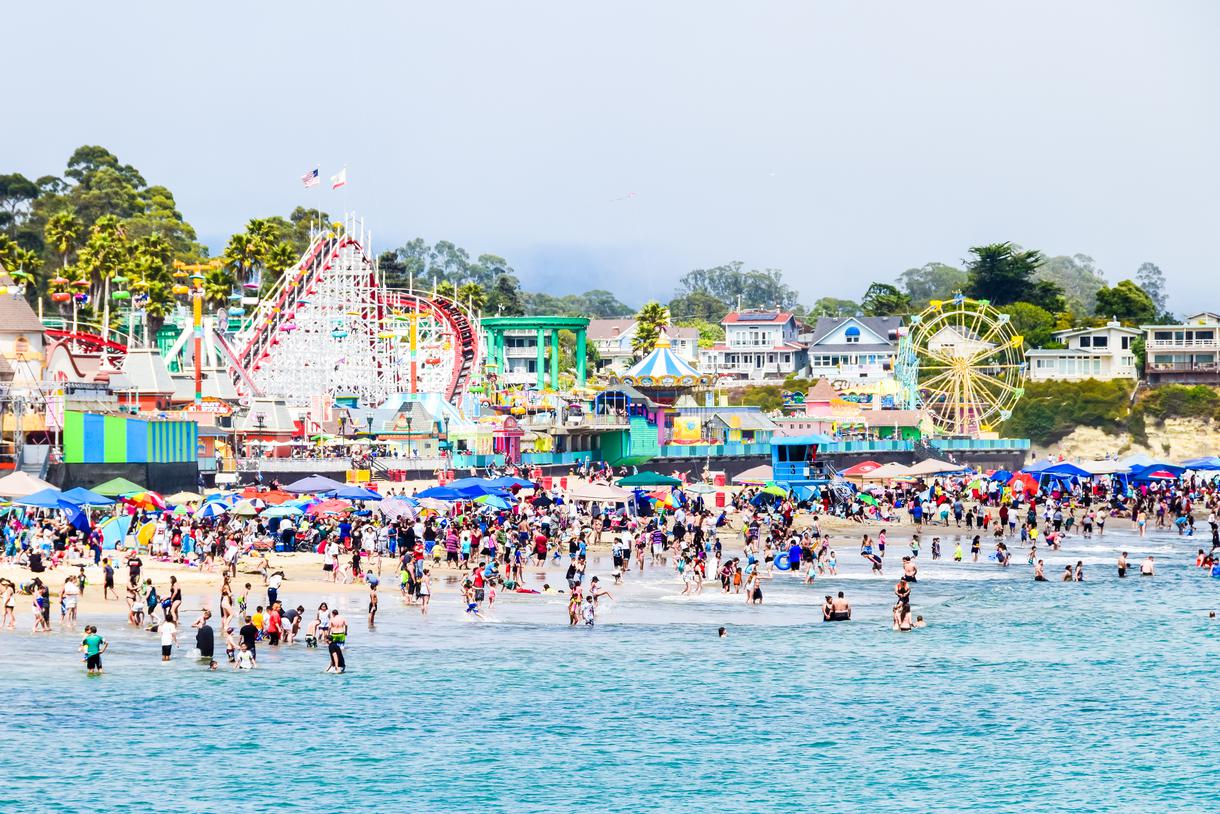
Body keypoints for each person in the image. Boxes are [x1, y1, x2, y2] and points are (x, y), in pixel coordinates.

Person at [326, 609, 347, 673]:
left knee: (333, 649)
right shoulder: (342, 618)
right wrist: (346, 632)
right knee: (340, 649)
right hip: (341, 633)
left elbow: (329, 627)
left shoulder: (332, 619)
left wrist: (328, 634)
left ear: (333, 614)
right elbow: (346, 625)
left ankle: (337, 665)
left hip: (334, 634)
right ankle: (339, 664)